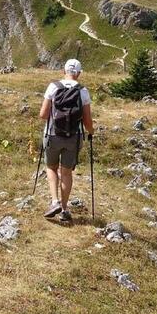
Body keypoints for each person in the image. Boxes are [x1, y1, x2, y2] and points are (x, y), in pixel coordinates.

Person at [38, 58, 94, 225]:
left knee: (51, 167)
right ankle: (64, 209)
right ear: (79, 73)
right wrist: (91, 132)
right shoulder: (83, 91)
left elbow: (42, 115)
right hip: (74, 137)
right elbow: (88, 122)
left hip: (52, 135)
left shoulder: (53, 87)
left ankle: (54, 201)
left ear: (64, 71)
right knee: (67, 172)